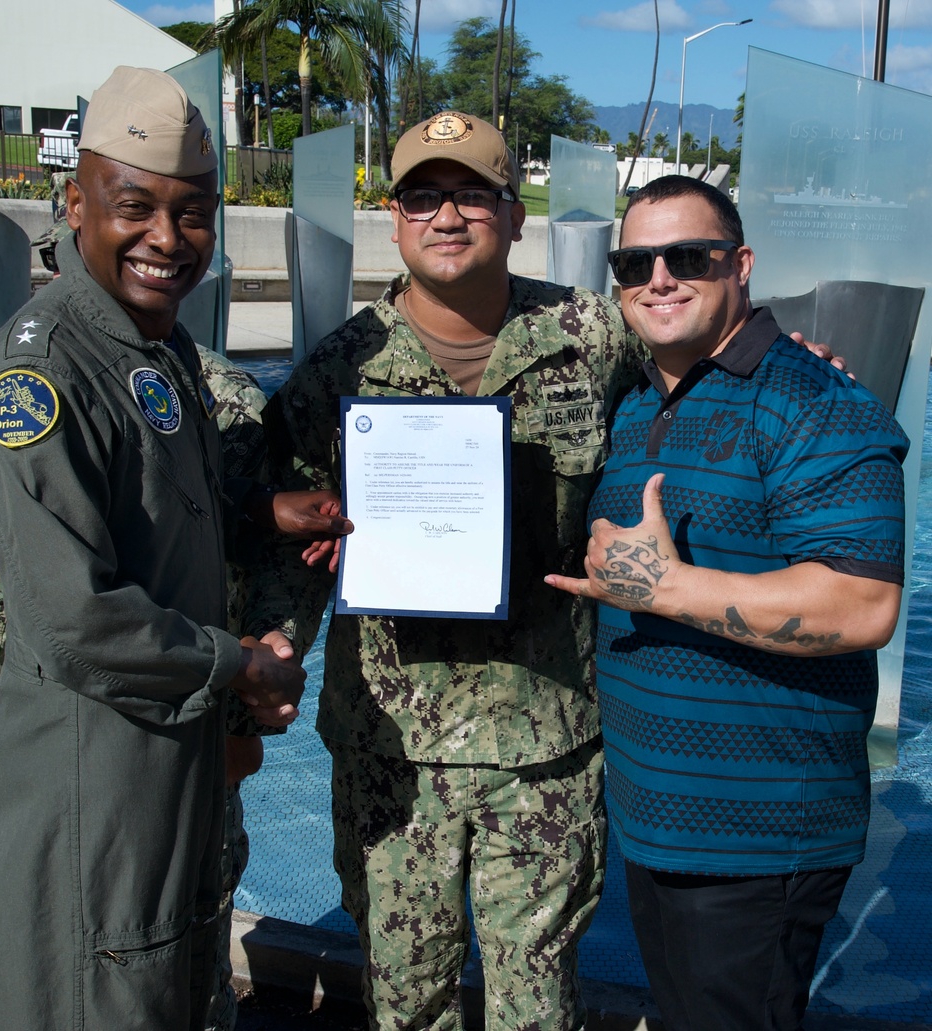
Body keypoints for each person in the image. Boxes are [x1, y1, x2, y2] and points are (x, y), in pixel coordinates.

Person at [0, 65, 347, 1031]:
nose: (168, 240)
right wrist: (239, 663)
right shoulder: (37, 375)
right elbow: (76, 619)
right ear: (76, 203)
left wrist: (262, 508)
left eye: (194, 213)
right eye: (136, 207)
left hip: (167, 759)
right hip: (96, 781)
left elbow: (154, 506)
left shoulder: (152, 352)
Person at [237, 110, 647, 1030]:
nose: (447, 215)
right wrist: (273, 643)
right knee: (405, 993)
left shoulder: (592, 338)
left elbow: (695, 382)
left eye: (471, 193)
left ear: (510, 212)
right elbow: (285, 541)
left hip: (544, 741)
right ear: (395, 217)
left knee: (537, 1000)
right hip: (394, 745)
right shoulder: (339, 369)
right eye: (424, 196)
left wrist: (775, 348)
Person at [546, 175, 909, 1031]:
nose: (660, 277)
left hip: (759, 834)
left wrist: (666, 586)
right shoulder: (638, 401)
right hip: (662, 820)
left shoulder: (815, 400)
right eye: (635, 262)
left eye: (690, 256)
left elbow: (862, 604)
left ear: (740, 265)